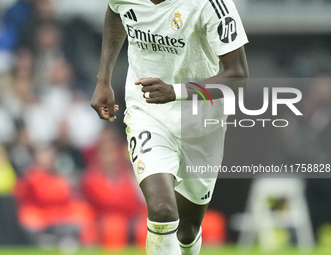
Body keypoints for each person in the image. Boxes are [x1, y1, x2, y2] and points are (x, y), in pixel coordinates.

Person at [91, 0, 249, 254]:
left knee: (188, 228)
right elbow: (116, 11)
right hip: (148, 111)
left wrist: (176, 91)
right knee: (162, 211)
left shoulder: (210, 4)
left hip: (201, 124)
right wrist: (104, 78)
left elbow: (239, 76)